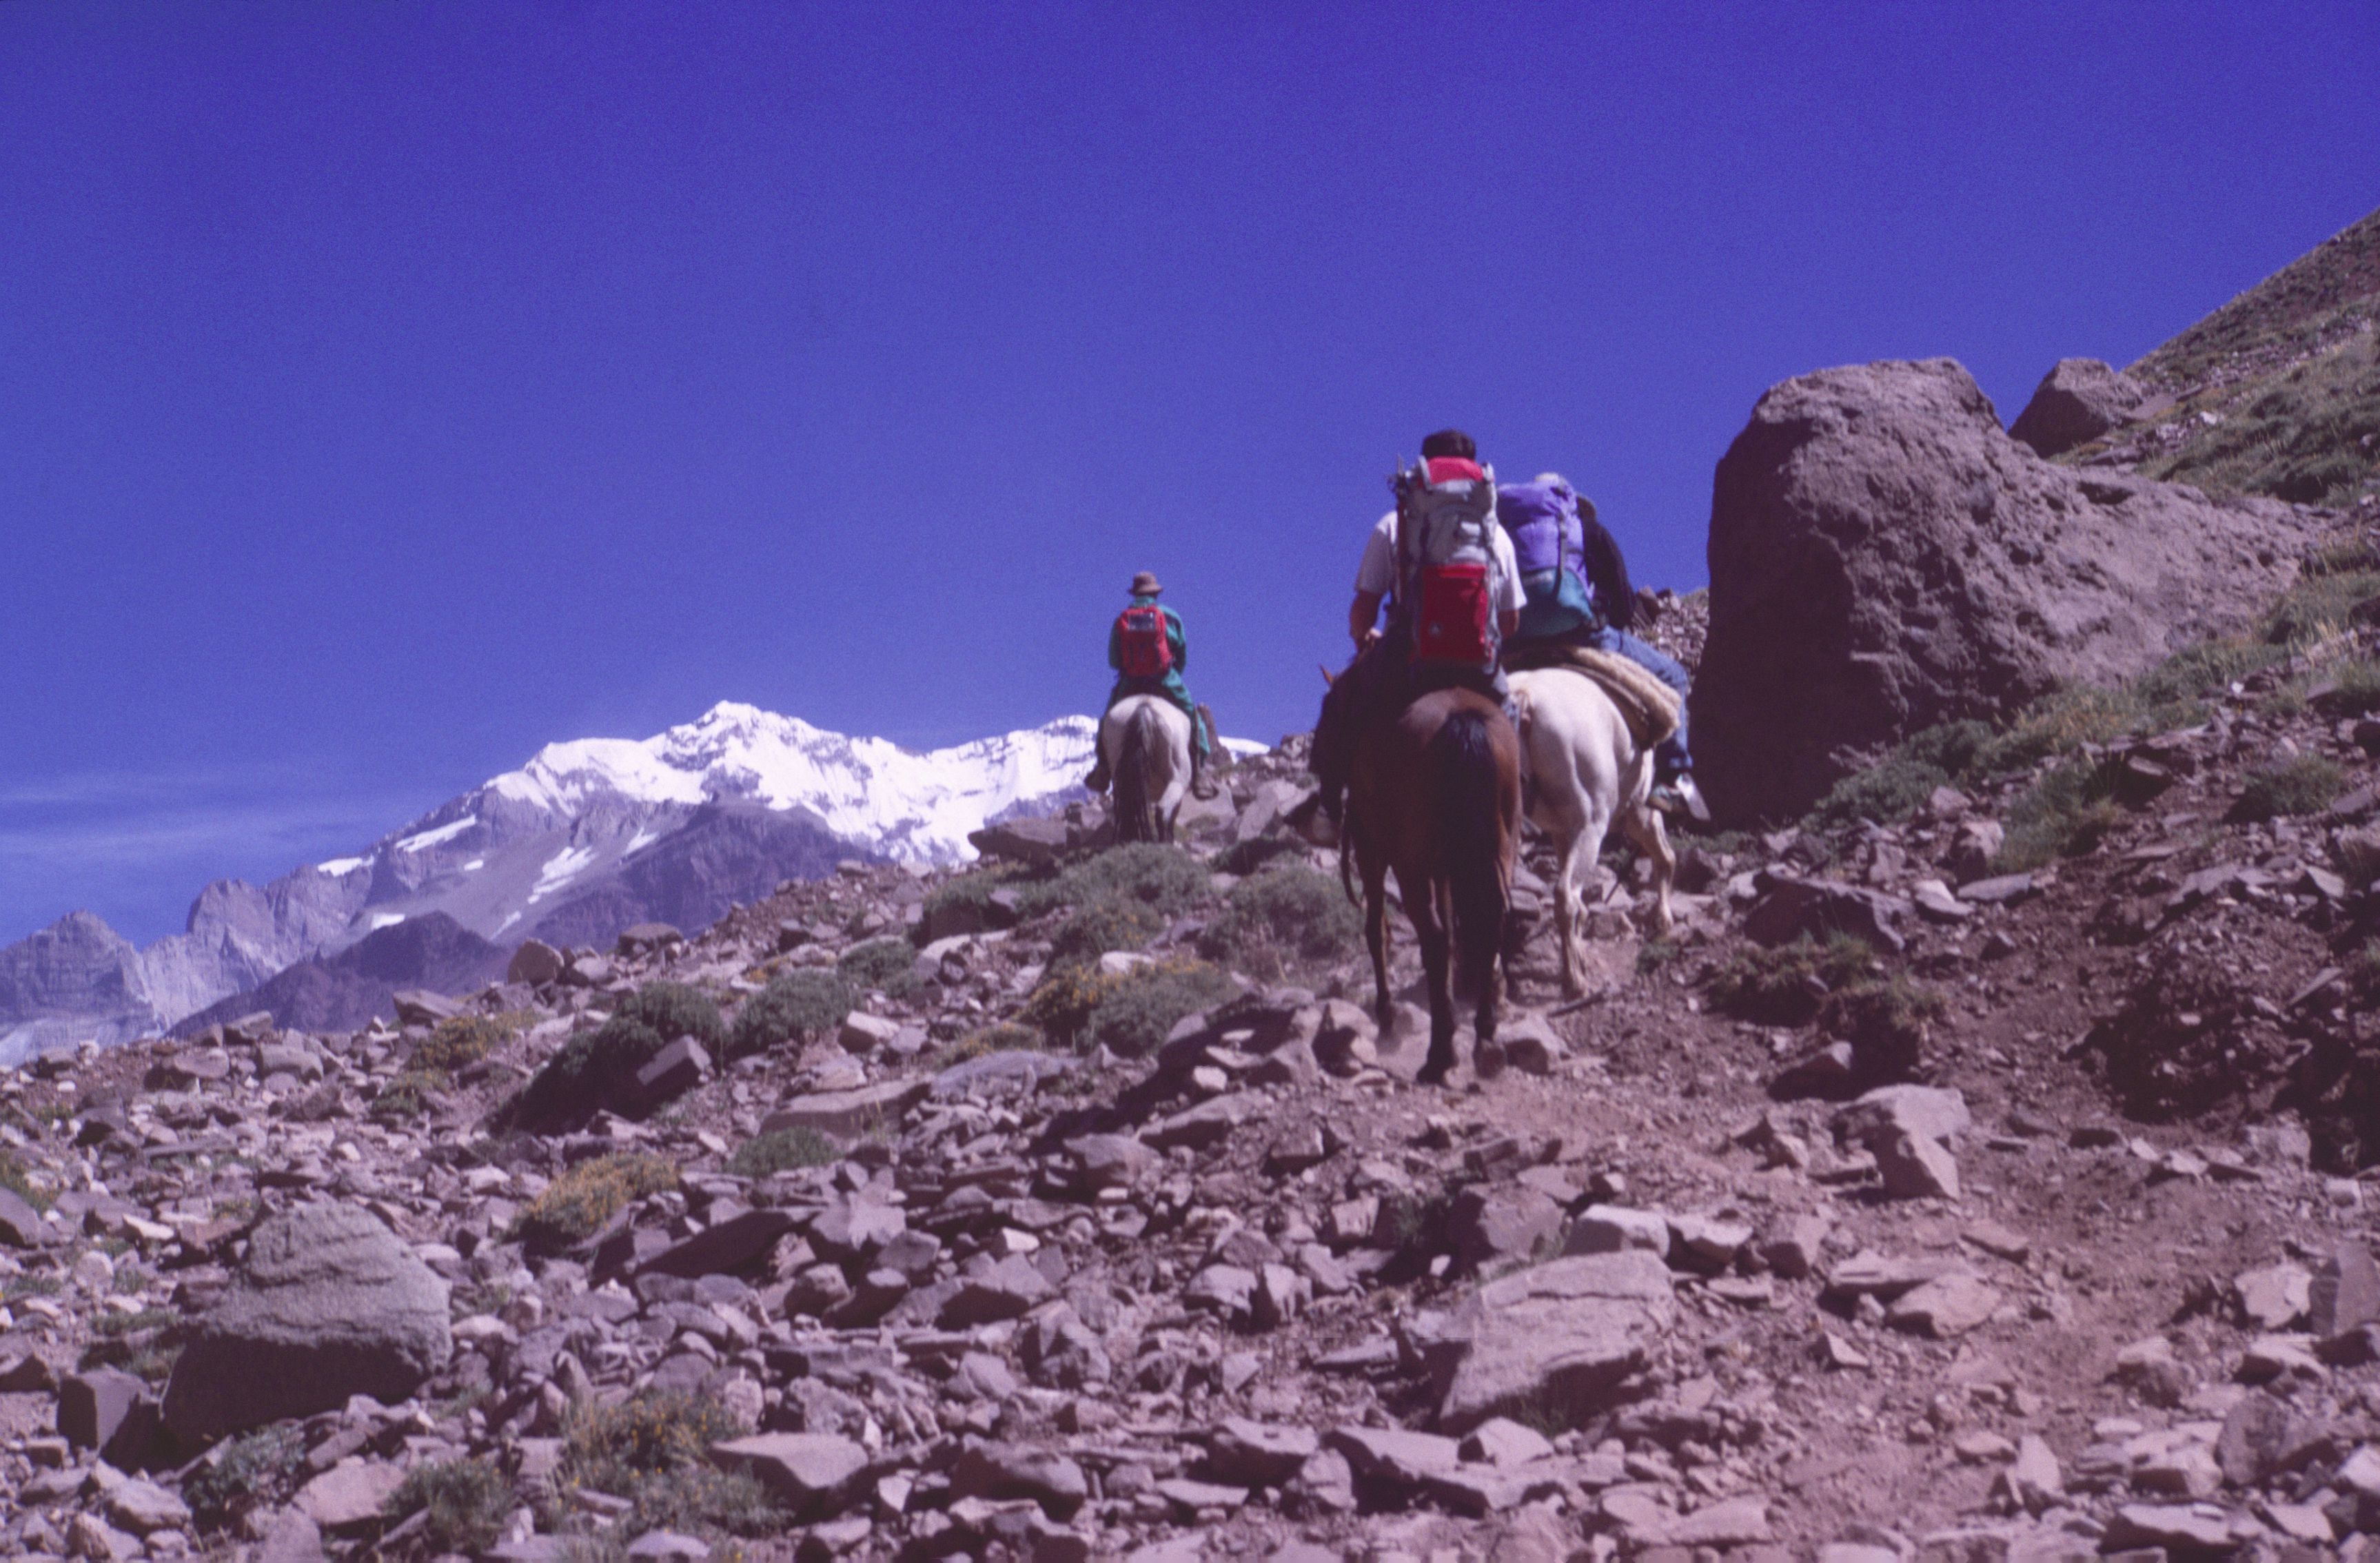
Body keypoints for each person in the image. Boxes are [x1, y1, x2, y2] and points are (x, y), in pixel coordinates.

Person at [1295, 429, 1523, 841]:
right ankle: (1516, 815)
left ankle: (1329, 810)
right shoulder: (1497, 535)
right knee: (1510, 717)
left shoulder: (1393, 523)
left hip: (1410, 655)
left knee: (1340, 702)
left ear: (1422, 473)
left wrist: (1365, 639)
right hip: (1479, 661)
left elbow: (1362, 612)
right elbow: (1510, 624)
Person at [1494, 472, 1707, 821]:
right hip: (1583, 637)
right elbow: (1623, 604)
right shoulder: (1590, 532)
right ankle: (1673, 781)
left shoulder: (1506, 536)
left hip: (1515, 643)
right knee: (1673, 675)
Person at [1084, 571, 1217, 799]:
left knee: (1107, 720)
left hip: (1130, 682)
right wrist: (1172, 674)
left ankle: (1103, 771)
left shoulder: (1122, 619)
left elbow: (1113, 660)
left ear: (1135, 593)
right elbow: (1182, 654)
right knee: (1194, 719)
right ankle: (1200, 773)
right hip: (1166, 680)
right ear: (1156, 594)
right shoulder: (1171, 617)